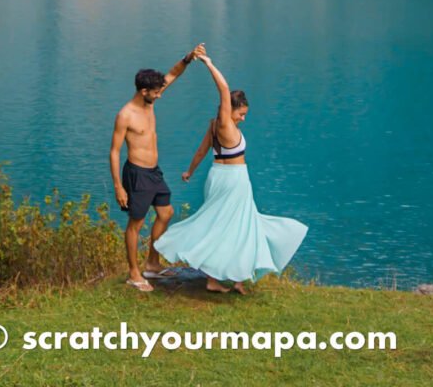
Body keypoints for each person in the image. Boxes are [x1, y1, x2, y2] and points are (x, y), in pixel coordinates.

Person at [156, 52, 307, 293]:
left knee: (227, 227)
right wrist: (209, 64)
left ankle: (232, 279)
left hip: (216, 177)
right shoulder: (225, 123)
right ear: (230, 110)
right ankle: (219, 280)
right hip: (234, 180)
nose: (243, 119)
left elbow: (201, 152)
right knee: (239, 228)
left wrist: (190, 172)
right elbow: (224, 90)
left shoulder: (214, 125)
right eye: (241, 114)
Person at [110, 44, 205, 292]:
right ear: (144, 91)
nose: (160, 95)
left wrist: (189, 58)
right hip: (137, 174)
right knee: (136, 224)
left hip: (154, 172)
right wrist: (119, 187)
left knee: (166, 214)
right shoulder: (125, 115)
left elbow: (172, 75)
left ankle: (152, 264)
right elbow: (114, 152)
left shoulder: (150, 102)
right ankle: (134, 273)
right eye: (156, 92)